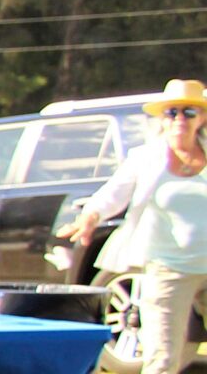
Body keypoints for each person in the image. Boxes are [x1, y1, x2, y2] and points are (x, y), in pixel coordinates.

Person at [60, 78, 207, 374]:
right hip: (168, 268)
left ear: (201, 117)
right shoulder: (146, 158)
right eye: (172, 112)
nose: (180, 119)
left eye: (189, 112)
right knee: (162, 358)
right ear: (162, 118)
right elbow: (112, 196)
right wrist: (89, 218)